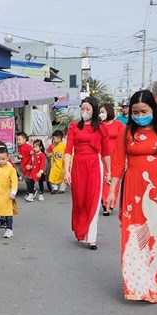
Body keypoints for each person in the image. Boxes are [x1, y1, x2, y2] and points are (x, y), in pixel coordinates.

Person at [107, 89, 157, 304]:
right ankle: (136, 286)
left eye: (144, 111)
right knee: (133, 239)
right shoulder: (126, 132)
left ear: (153, 109)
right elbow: (117, 164)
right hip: (132, 192)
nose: (139, 115)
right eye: (135, 112)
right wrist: (112, 191)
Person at [64, 97, 111, 250]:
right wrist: (66, 171)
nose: (84, 112)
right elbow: (68, 151)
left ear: (94, 110)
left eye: (88, 109)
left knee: (93, 200)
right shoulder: (73, 127)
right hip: (78, 166)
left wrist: (109, 172)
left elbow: (106, 152)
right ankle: (82, 231)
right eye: (82, 109)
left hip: (95, 165)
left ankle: (91, 238)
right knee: (80, 201)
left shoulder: (101, 128)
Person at [100, 102, 126, 216]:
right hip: (103, 155)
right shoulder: (99, 125)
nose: (101, 114)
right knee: (104, 179)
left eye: (102, 112)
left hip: (116, 155)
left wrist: (125, 157)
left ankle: (111, 202)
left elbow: (124, 140)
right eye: (100, 112)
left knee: (115, 179)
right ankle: (105, 202)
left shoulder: (118, 124)